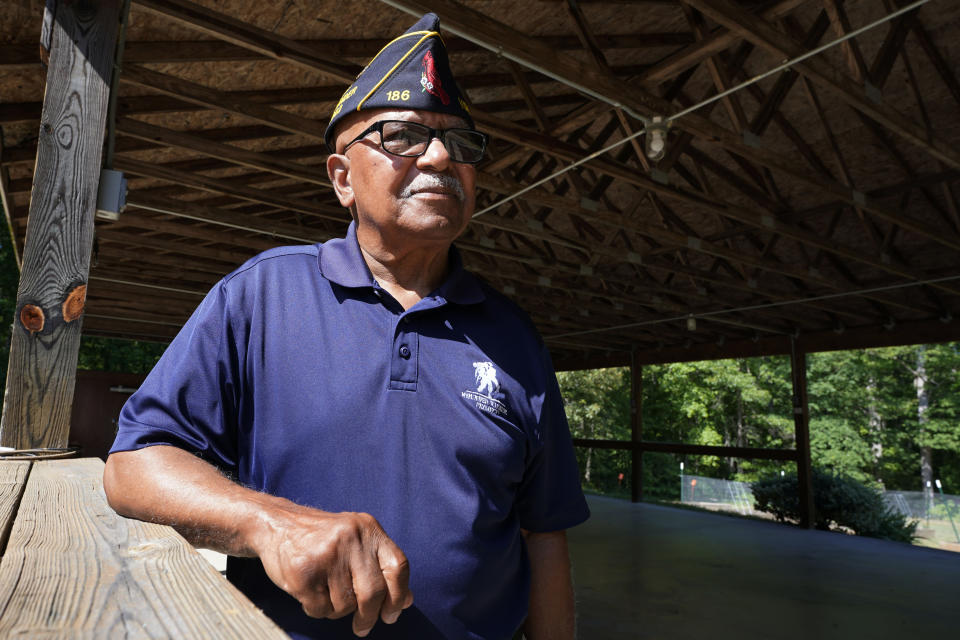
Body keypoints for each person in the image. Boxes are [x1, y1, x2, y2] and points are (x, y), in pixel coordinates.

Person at [103, 13, 589, 640]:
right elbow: (135, 464)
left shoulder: (515, 338)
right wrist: (271, 522)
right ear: (342, 180)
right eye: (402, 135)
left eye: (462, 144)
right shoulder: (262, 296)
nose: (441, 155)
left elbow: (543, 533)